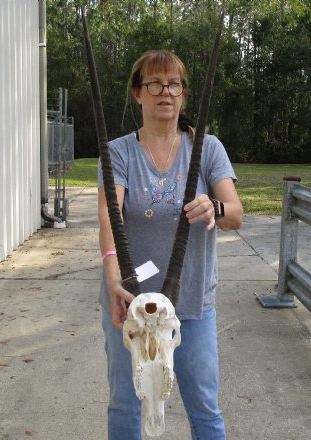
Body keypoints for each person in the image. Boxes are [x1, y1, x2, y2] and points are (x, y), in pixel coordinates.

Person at [98, 49, 243, 440]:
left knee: (204, 406)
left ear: (183, 93)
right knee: (126, 405)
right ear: (137, 93)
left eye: (174, 84)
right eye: (155, 83)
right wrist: (114, 282)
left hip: (192, 300)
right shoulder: (119, 152)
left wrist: (214, 206)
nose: (165, 92)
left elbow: (235, 213)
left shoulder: (207, 149)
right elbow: (110, 224)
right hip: (131, 300)